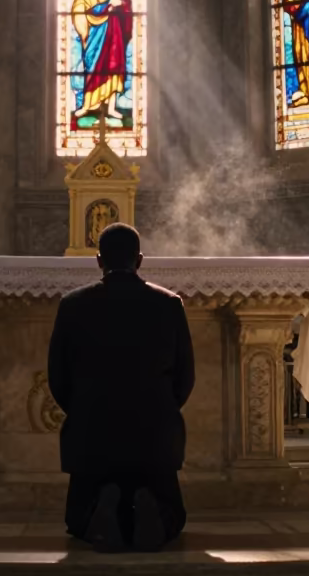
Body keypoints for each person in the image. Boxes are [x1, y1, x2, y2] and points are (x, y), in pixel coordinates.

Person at [46, 223, 196, 552]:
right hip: (154, 432)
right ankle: (151, 508)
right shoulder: (169, 304)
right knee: (174, 515)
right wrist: (162, 409)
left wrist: (84, 409)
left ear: (98, 260)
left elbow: (57, 375)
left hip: (92, 432)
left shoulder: (72, 304)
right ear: (139, 260)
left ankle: (100, 509)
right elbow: (186, 376)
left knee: (76, 519)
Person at [69, 0, 133, 121]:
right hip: (93, 33)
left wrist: (119, 3)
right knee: (93, 67)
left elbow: (126, 5)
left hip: (113, 33)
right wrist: (105, 6)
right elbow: (78, 8)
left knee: (113, 68)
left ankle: (111, 107)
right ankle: (89, 106)